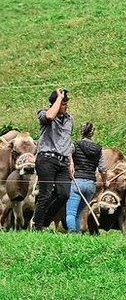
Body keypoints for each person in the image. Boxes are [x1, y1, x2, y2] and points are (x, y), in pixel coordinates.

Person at [33, 88, 74, 231]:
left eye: (66, 103)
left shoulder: (70, 119)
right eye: (63, 103)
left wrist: (71, 162)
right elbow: (50, 117)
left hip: (63, 161)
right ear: (55, 103)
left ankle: (44, 221)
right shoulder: (43, 113)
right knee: (45, 194)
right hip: (46, 159)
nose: (66, 106)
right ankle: (37, 226)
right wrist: (58, 98)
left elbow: (67, 140)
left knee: (64, 194)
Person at [65, 121, 106, 233]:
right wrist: (104, 182)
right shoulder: (99, 149)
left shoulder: (75, 145)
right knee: (78, 213)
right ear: (92, 133)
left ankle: (72, 233)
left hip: (76, 182)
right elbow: (103, 169)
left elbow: (66, 154)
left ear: (81, 132)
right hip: (91, 185)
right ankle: (77, 236)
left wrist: (71, 164)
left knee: (71, 213)